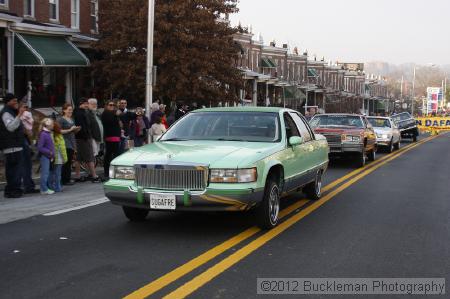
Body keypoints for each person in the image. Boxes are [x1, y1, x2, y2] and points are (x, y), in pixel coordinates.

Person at [0, 93, 26, 198]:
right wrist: (19, 115)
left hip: (14, 145)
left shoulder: (10, 111)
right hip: (11, 146)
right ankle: (13, 190)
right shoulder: (6, 113)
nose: (16, 103)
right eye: (14, 101)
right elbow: (10, 127)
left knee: (13, 169)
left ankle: (11, 190)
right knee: (14, 170)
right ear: (8, 102)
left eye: (16, 101)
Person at [73, 98, 100, 183]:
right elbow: (82, 126)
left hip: (80, 138)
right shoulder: (81, 113)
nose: (87, 105)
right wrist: (87, 136)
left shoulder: (78, 112)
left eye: (87, 104)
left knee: (79, 158)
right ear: (82, 104)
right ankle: (94, 176)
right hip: (84, 138)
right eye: (86, 104)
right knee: (90, 157)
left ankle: (77, 176)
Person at [19, 100, 39, 194]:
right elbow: (25, 129)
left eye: (27, 107)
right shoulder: (18, 117)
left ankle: (29, 185)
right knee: (24, 165)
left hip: (27, 140)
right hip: (21, 142)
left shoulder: (27, 115)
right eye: (24, 107)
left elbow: (31, 126)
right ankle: (27, 186)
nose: (26, 109)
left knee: (28, 165)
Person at [58, 104, 79, 185]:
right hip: (65, 142)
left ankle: (67, 178)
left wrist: (76, 129)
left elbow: (73, 131)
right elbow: (59, 131)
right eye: (69, 109)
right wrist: (70, 129)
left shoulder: (71, 119)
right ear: (64, 110)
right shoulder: (61, 119)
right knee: (66, 162)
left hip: (72, 141)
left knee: (69, 161)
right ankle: (64, 180)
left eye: (71, 109)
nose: (71, 111)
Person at [101, 101, 122, 179]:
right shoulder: (106, 113)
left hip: (116, 137)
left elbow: (120, 122)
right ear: (106, 106)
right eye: (110, 105)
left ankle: (111, 172)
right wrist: (116, 113)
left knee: (113, 155)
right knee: (110, 155)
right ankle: (107, 172)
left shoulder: (114, 114)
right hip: (110, 137)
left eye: (113, 105)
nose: (112, 106)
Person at [37, 118, 55, 195]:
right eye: (52, 124)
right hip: (45, 156)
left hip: (48, 156)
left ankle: (44, 188)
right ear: (48, 125)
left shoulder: (47, 133)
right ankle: (44, 189)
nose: (53, 125)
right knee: (45, 173)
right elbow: (40, 147)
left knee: (46, 173)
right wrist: (50, 152)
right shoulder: (44, 134)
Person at [49, 122, 67, 193]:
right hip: (57, 157)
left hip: (56, 157)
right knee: (56, 173)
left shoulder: (54, 134)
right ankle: (57, 187)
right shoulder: (56, 135)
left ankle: (53, 186)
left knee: (53, 173)